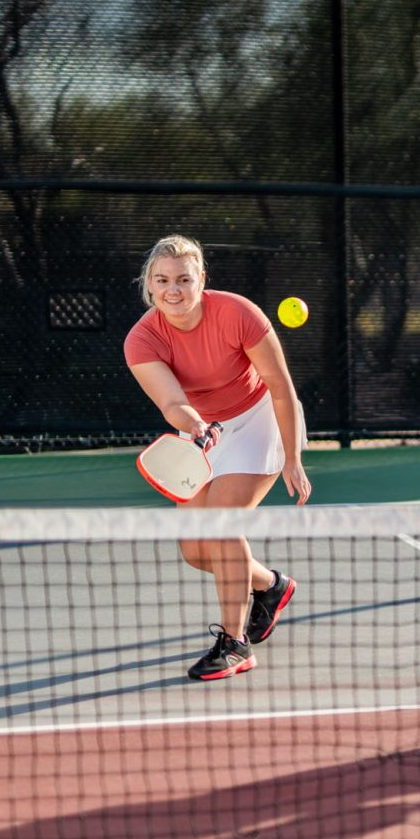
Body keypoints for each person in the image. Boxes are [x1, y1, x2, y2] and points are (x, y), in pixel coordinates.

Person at [125, 235, 310, 682]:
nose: (174, 290)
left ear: (201, 280)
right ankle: (269, 585)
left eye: (185, 279)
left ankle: (234, 643)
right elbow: (172, 402)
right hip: (204, 432)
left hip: (261, 419)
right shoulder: (141, 340)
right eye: (163, 280)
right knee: (195, 550)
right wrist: (194, 426)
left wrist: (292, 456)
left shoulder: (238, 313)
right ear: (149, 285)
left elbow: (280, 385)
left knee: (224, 525)